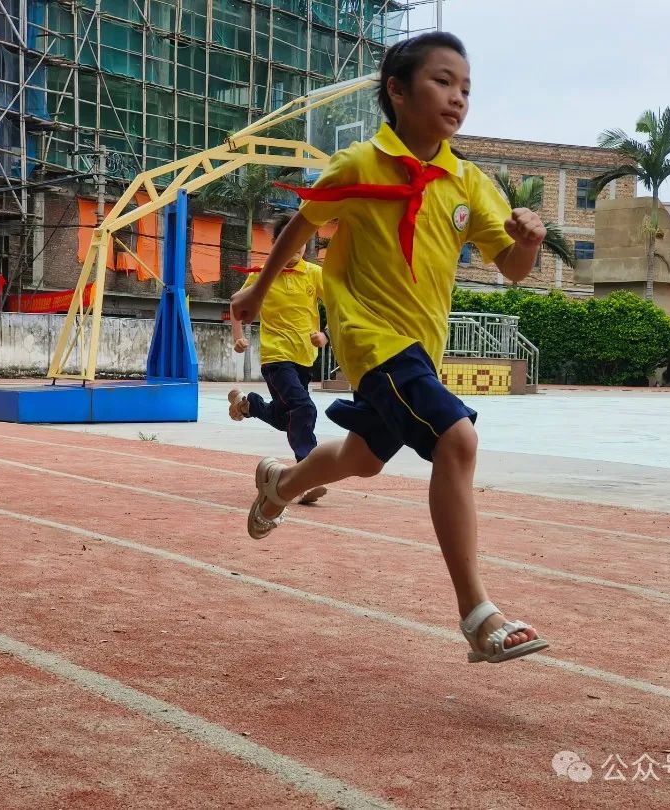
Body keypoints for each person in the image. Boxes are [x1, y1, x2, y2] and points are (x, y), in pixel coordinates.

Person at [231, 32, 550, 664]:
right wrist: (259, 292)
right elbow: (304, 223)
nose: (457, 97)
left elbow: (512, 268)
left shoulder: (469, 183)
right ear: (397, 91)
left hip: (418, 347)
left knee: (364, 457)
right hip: (370, 338)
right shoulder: (358, 166)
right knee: (457, 438)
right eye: (441, 81)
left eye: (465, 87)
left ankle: (279, 486)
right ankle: (477, 615)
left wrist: (530, 240)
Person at [227, 214, 329, 505]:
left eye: (300, 246)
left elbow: (336, 304)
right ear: (276, 244)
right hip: (276, 357)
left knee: (287, 418)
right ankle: (306, 476)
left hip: (304, 359)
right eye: (288, 245)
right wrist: (238, 336)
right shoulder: (262, 273)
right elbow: (237, 303)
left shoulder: (313, 274)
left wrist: (324, 335)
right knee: (303, 408)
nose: (294, 251)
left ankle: (248, 405)